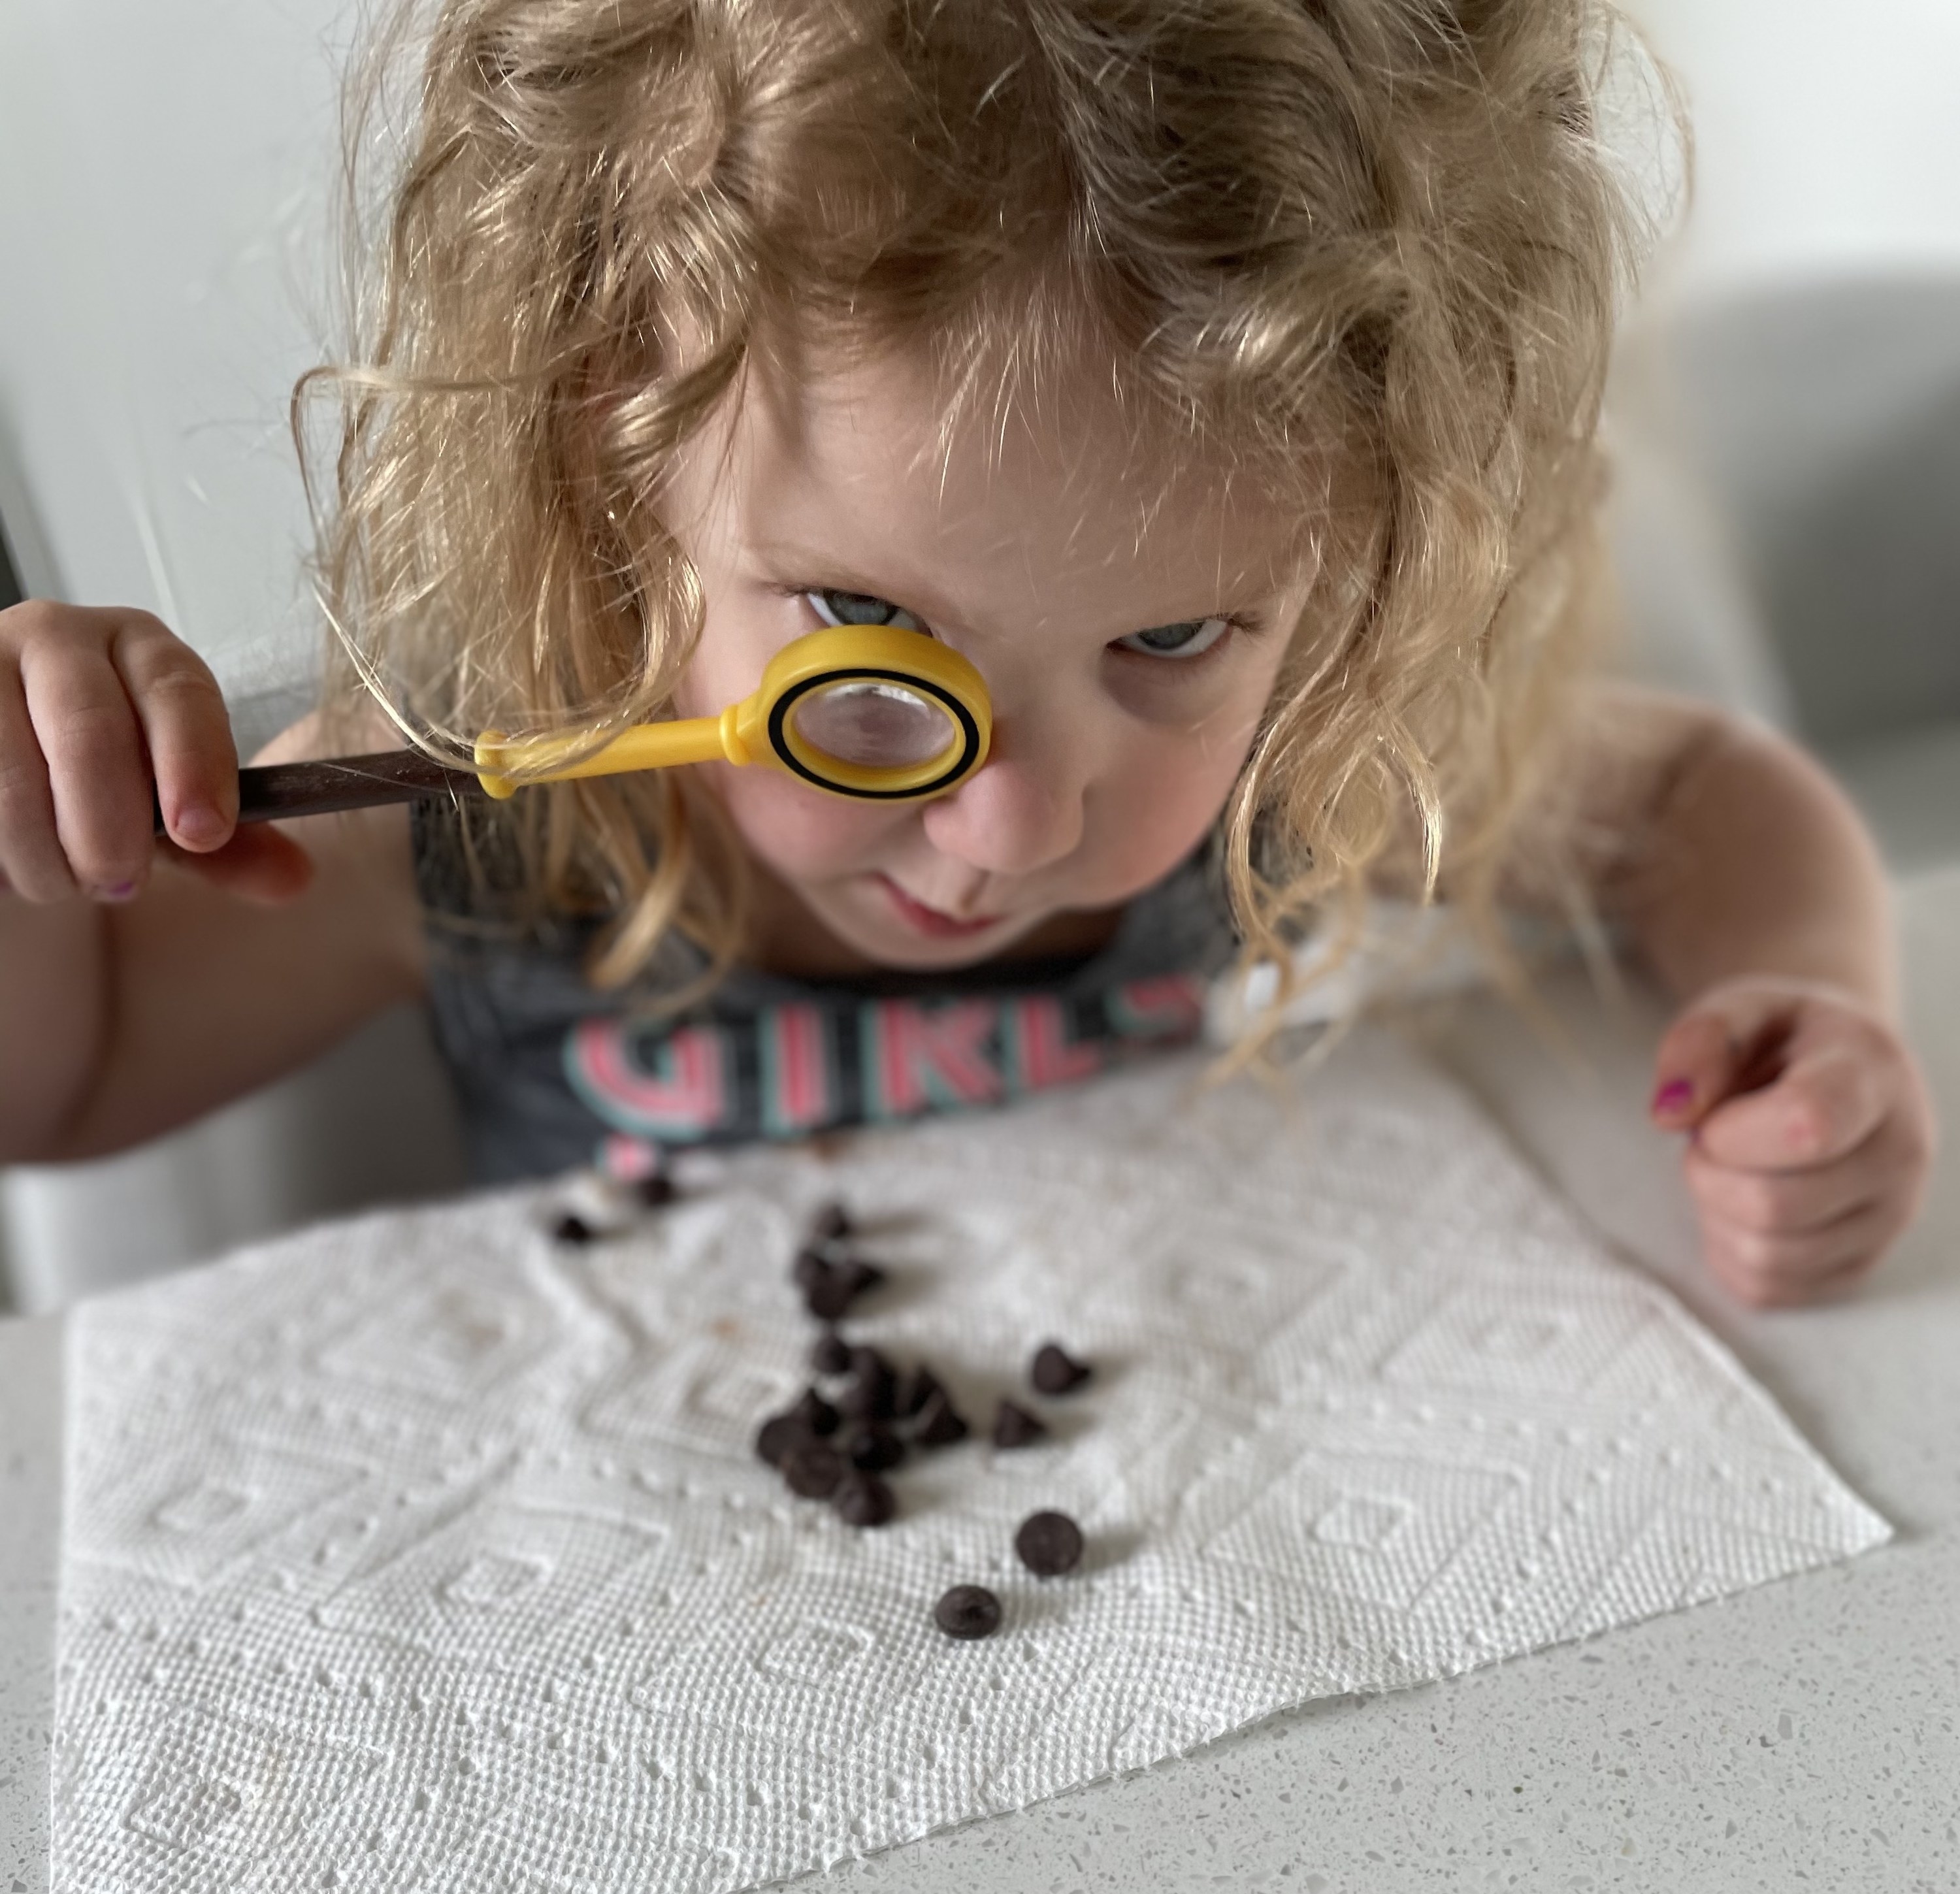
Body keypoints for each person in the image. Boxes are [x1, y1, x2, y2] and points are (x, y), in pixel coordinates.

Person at [0, 0, 1935, 1309]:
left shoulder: (1304, 773)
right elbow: (62, 1082)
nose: (1007, 826)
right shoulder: (481, 831)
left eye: (1170, 636)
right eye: (865, 632)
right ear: (616, 430)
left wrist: (1807, 1004)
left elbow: (1698, 796)